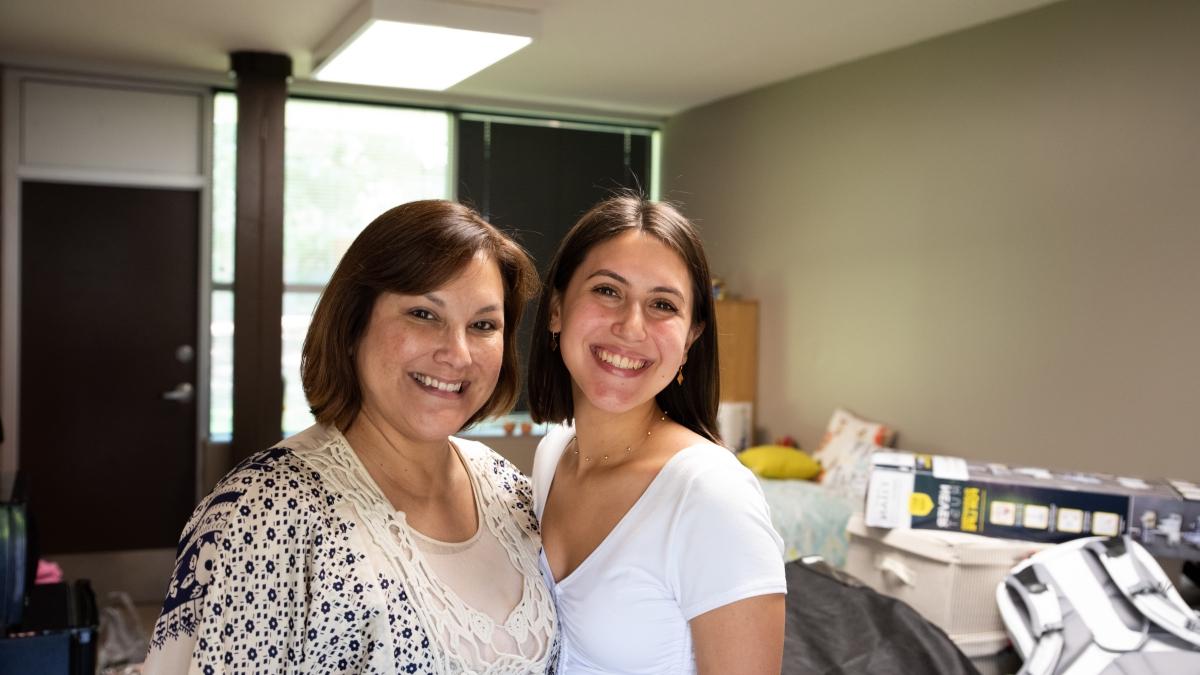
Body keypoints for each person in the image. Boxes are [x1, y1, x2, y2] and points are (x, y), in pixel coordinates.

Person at [144, 201, 556, 674]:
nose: (457, 354)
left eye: (483, 325)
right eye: (423, 314)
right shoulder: (262, 510)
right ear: (353, 325)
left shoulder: (511, 491)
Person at [527, 195, 786, 674]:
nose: (630, 325)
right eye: (607, 291)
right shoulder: (553, 455)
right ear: (557, 309)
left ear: (689, 339)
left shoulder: (710, 495)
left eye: (662, 304)